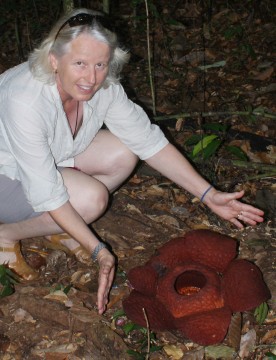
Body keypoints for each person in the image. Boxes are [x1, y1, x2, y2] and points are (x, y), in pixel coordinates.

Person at [0, 8, 264, 314]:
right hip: (4, 174)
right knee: (91, 198)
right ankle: (6, 235)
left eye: (100, 64)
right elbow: (46, 190)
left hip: (40, 161)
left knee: (124, 152)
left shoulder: (102, 88)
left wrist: (209, 195)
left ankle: (55, 227)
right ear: (54, 60)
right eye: (80, 63)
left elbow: (148, 141)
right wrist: (98, 250)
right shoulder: (25, 98)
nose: (91, 77)